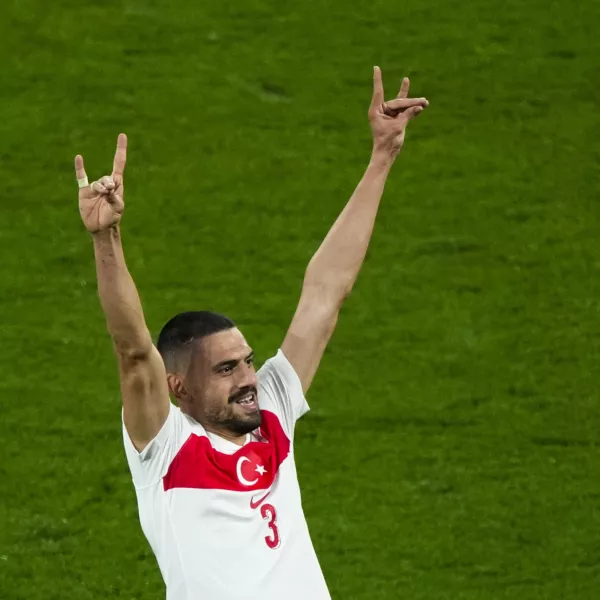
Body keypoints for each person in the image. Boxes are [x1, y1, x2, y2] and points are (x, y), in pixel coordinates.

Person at [73, 67, 428, 600]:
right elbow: (131, 350)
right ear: (178, 387)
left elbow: (325, 293)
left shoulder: (273, 415)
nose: (249, 379)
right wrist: (108, 238)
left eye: (246, 361)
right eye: (225, 368)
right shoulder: (166, 448)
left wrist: (382, 158)